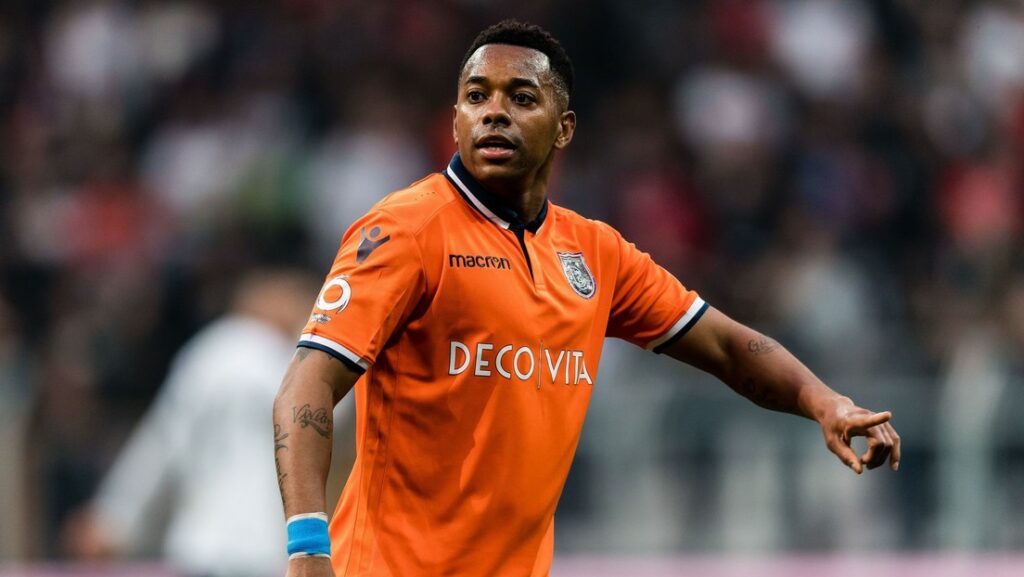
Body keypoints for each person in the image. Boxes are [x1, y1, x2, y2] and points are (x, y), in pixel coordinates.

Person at [273, 20, 900, 577]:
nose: (494, 113)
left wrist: (823, 401)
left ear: (564, 128)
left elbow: (729, 347)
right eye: (476, 96)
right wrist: (307, 549)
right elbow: (307, 385)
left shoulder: (595, 253)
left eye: (521, 98)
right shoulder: (406, 231)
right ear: (456, 118)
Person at [65, 268, 323, 577]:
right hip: (268, 552)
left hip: (201, 549)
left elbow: (162, 445)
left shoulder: (207, 353)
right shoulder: (295, 365)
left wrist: (113, 519)